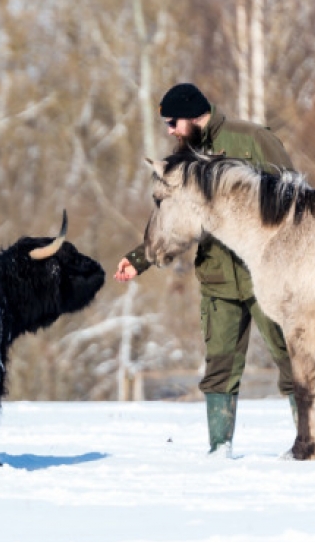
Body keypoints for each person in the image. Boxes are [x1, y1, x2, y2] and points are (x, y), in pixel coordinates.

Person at [115, 83, 296, 458]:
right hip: (217, 279)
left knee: (293, 360)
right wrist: (139, 259)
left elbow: (296, 202)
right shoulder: (182, 161)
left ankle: (307, 441)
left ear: (196, 115)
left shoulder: (255, 139)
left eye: (173, 122)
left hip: (268, 278)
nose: (169, 131)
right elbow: (170, 221)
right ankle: (220, 450)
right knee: (219, 371)